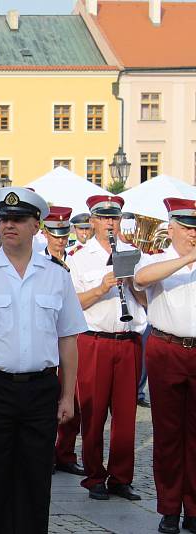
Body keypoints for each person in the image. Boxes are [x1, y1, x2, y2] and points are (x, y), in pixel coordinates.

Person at [0, 187, 86, 534]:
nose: (10, 225)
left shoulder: (57, 275)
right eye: (5, 219)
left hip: (40, 390)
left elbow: (68, 338)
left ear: (36, 225)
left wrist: (67, 396)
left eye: (19, 219)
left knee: (35, 481)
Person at [68, 195, 147, 501]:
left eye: (114, 218)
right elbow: (72, 304)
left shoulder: (133, 253)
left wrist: (132, 285)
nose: (110, 223)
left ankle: (121, 477)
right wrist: (102, 287)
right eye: (104, 218)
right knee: (94, 411)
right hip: (95, 341)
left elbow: (146, 302)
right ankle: (94, 475)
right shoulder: (78, 257)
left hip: (128, 341)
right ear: (93, 221)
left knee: (126, 415)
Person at [133, 198, 196, 534]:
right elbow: (141, 278)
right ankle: (170, 508)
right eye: (186, 227)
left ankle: (194, 508)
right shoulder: (156, 258)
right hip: (166, 348)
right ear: (171, 229)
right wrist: (186, 259)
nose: (192, 233)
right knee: (169, 433)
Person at [42, 206, 86, 477]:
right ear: (45, 233)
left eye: (63, 234)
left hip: (73, 332)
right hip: (47, 333)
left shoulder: (78, 259)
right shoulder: (38, 260)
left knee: (73, 398)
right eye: (54, 234)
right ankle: (45, 450)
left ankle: (66, 452)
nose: (60, 239)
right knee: (47, 396)